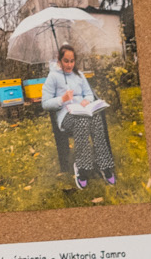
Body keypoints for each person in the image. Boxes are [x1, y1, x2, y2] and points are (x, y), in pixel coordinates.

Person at [40, 45, 117, 189]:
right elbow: (45, 103)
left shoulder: (79, 75)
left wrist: (86, 100)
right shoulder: (53, 76)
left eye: (72, 61)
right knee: (82, 122)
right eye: (66, 61)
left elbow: (88, 93)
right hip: (66, 116)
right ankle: (82, 168)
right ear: (60, 60)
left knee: (95, 119)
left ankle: (104, 164)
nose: (69, 65)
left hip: (83, 110)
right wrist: (61, 99)